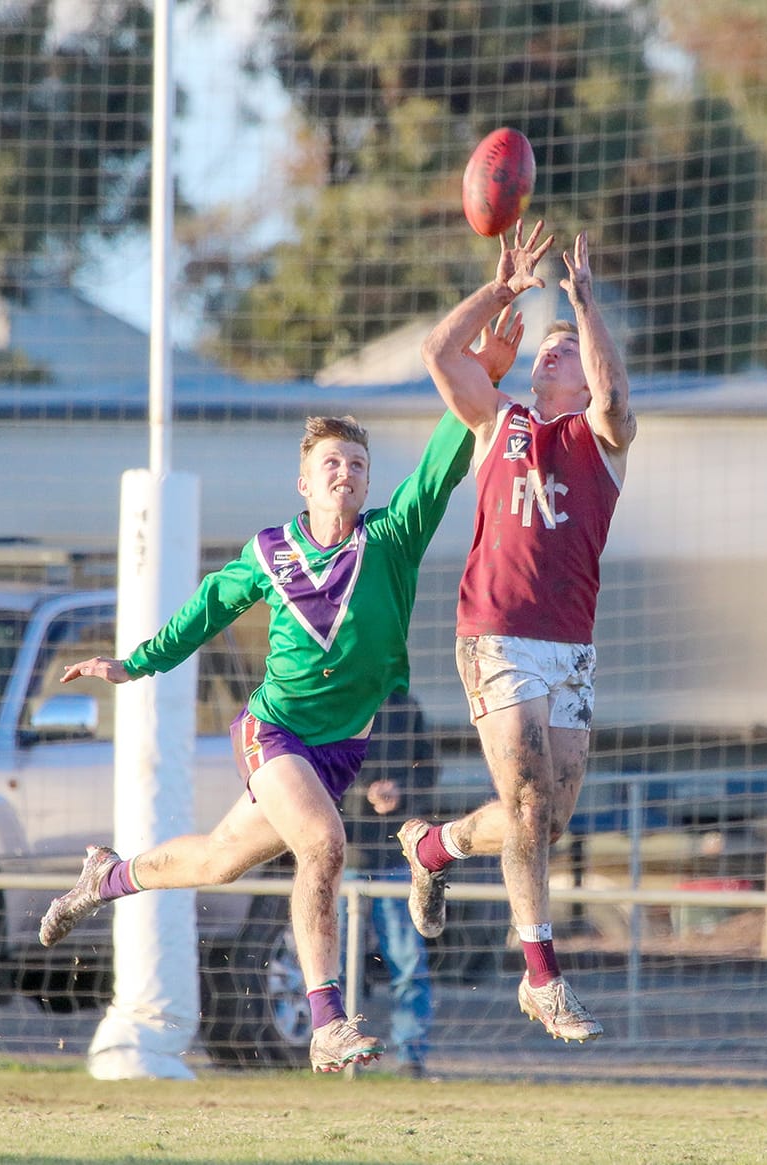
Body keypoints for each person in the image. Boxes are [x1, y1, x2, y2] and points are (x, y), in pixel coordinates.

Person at [38, 409, 474, 1074]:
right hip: (274, 731)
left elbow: (440, 469)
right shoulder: (270, 551)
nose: (346, 473)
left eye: (357, 464)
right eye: (331, 462)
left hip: (337, 754)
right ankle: (327, 1021)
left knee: (218, 861)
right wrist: (135, 661)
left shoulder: (391, 537)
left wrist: (475, 387)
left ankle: (107, 877)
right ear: (303, 480)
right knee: (325, 844)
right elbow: (208, 607)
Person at [397, 220, 637, 1044]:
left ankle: (436, 846)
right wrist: (501, 291)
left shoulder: (601, 441)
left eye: (560, 352)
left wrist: (582, 305)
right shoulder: (496, 421)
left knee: (544, 816)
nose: (547, 356)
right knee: (531, 805)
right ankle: (542, 977)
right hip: (494, 630)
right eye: (544, 349)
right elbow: (438, 351)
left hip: (568, 645)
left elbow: (613, 397)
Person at [339, 690, 436, 1078]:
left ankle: (410, 1056)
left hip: (395, 857)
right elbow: (314, 772)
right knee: (335, 962)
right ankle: (339, 1049)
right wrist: (363, 796)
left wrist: (402, 790)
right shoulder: (339, 699)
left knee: (408, 960)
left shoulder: (406, 706)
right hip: (346, 857)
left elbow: (428, 769)